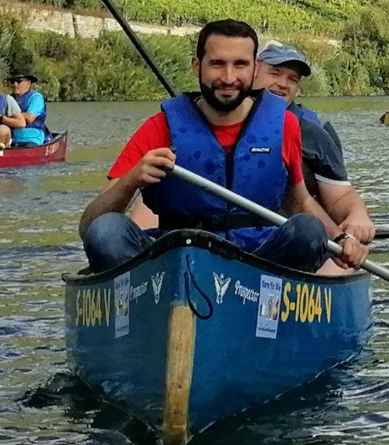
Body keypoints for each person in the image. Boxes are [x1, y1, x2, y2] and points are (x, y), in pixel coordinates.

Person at [79, 19, 367, 276]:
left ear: (254, 69)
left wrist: (341, 241)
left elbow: (300, 202)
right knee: (106, 231)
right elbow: (89, 226)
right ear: (197, 66)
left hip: (259, 260)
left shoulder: (285, 125)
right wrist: (131, 181)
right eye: (217, 64)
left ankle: (271, 304)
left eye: (240, 65)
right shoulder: (159, 127)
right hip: (174, 260)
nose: (228, 78)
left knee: (308, 229)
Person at [253, 41, 375, 245]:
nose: (283, 84)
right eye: (274, 73)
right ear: (254, 70)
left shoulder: (312, 130)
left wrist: (357, 214)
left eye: (292, 79)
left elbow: (339, 194)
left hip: (291, 239)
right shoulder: (220, 112)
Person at [8, 73, 50, 147]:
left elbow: (30, 117)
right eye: (12, 81)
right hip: (12, 138)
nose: (15, 84)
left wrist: (9, 115)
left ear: (28, 83)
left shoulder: (36, 97)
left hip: (33, 137)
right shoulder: (8, 98)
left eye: (19, 81)